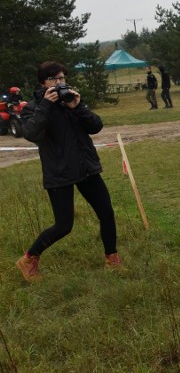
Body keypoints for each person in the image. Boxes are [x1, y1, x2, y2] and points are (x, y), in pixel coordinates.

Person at [15, 62, 121, 282]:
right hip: (59, 171)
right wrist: (45, 105)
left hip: (86, 167)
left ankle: (112, 259)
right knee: (64, 226)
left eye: (62, 78)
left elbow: (96, 126)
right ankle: (28, 258)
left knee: (106, 213)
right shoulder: (33, 107)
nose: (60, 82)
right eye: (54, 79)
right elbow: (31, 133)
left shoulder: (70, 101)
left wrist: (79, 107)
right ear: (43, 83)